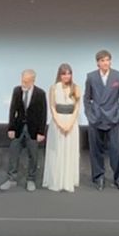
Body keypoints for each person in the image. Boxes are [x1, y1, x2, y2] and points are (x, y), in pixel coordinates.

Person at [83, 49, 119, 191]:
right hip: (96, 119)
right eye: (102, 60)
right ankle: (99, 178)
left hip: (113, 119)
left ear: (110, 61)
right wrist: (90, 115)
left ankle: (118, 179)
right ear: (98, 63)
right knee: (96, 150)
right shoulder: (91, 77)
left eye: (107, 60)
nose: (105, 63)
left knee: (116, 150)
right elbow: (87, 98)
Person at [0, 69, 46, 192]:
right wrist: (10, 128)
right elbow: (12, 110)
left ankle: (31, 179)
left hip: (33, 129)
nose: (23, 84)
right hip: (18, 128)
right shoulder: (17, 91)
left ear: (33, 81)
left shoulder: (40, 93)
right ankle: (11, 179)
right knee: (14, 153)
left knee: (33, 155)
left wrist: (41, 132)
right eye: (22, 80)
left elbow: (43, 114)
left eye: (26, 81)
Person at [43, 63, 80, 192]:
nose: (66, 76)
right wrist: (59, 123)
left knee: (69, 151)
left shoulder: (76, 88)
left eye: (69, 73)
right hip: (57, 123)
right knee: (57, 151)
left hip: (71, 124)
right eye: (64, 74)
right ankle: (56, 180)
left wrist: (69, 125)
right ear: (59, 75)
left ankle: (68, 180)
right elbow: (52, 107)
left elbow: (77, 108)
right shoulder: (54, 88)